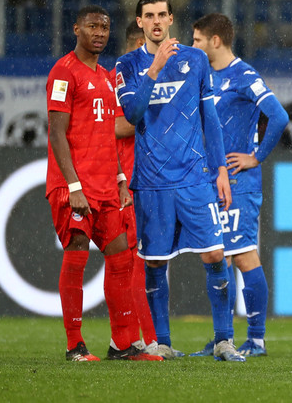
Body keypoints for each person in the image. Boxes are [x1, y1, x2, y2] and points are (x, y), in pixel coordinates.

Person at [114, 0, 243, 362]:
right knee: (155, 263)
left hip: (194, 177)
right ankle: (163, 343)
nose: (156, 21)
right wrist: (153, 71)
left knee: (215, 254)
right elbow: (134, 114)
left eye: (162, 15)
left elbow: (210, 119)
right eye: (148, 16)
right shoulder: (125, 66)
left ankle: (223, 340)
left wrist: (220, 168)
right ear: (139, 22)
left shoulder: (196, 59)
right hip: (152, 181)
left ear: (171, 19)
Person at [46, 5, 159, 362]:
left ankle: (123, 344)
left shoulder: (107, 79)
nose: (99, 32)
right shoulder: (64, 72)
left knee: (121, 257)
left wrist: (122, 179)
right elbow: (57, 133)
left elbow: (106, 136)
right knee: (77, 254)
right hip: (75, 186)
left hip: (107, 186)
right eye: (92, 26)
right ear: (76, 28)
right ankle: (74, 345)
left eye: (105, 27)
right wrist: (73, 185)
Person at [190, 13, 289, 357]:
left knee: (243, 255)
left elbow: (279, 116)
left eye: (197, 40)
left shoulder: (244, 75)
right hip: (211, 180)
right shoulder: (205, 77)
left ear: (215, 41)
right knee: (220, 258)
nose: (193, 47)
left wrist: (256, 156)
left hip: (239, 181)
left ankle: (257, 340)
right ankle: (224, 338)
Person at [113, 20, 157, 352]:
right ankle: (141, 340)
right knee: (133, 263)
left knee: (145, 261)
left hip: (151, 180)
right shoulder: (122, 79)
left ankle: (139, 338)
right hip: (127, 182)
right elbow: (119, 125)